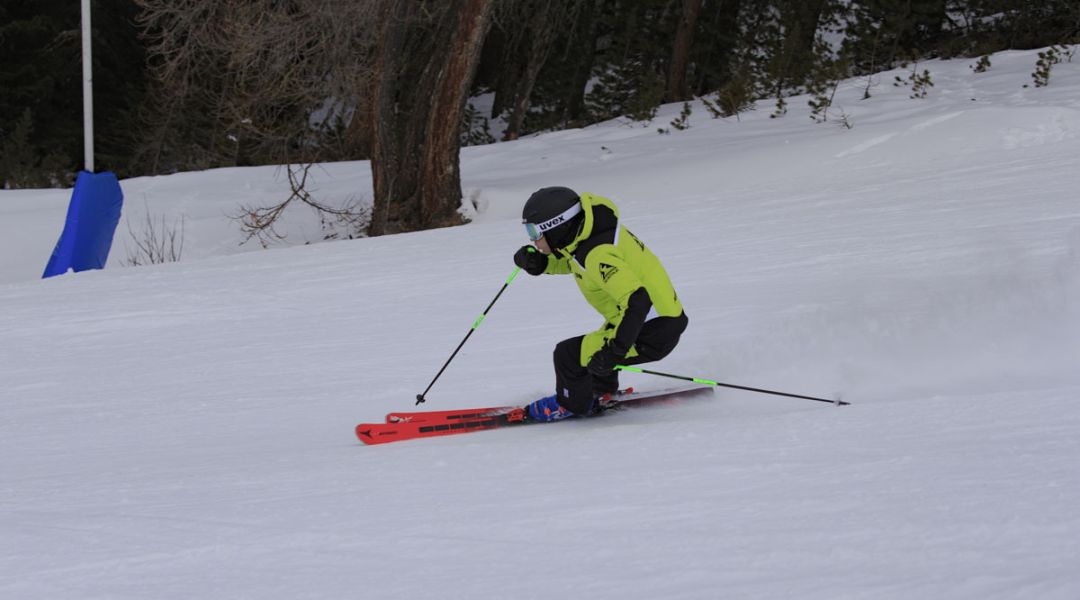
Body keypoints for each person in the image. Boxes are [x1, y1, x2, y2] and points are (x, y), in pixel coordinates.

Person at [513, 186, 688, 422]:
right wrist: (543, 264)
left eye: (534, 232)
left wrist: (615, 351)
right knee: (598, 345)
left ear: (557, 226)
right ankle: (600, 390)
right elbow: (576, 262)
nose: (532, 239)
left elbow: (638, 299)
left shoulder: (597, 254)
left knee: (568, 355)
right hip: (656, 319)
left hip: (652, 331)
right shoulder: (591, 233)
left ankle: (570, 404)